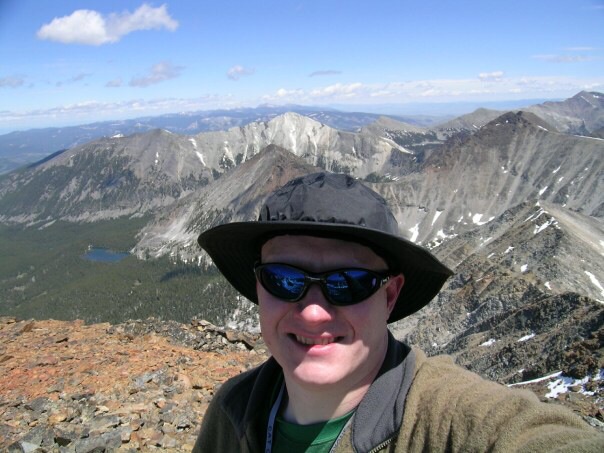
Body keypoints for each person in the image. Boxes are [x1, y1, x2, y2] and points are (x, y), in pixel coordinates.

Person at [193, 172, 603, 452]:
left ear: (389, 296)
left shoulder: (447, 419)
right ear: (259, 286)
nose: (314, 312)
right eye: (283, 279)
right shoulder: (233, 408)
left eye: (348, 283)